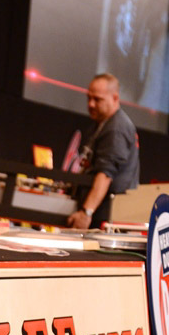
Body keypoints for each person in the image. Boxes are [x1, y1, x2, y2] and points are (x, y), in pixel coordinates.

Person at [66, 73, 139, 229]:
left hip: (106, 221)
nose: (91, 104)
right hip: (100, 217)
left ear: (115, 98)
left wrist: (86, 213)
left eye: (97, 99)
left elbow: (105, 174)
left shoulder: (116, 128)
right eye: (89, 98)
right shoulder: (101, 124)